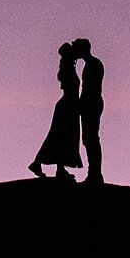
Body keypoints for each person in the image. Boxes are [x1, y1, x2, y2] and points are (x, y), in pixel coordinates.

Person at [28, 41, 83, 179]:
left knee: (61, 137)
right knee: (61, 136)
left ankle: (56, 167)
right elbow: (71, 91)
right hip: (67, 106)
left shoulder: (68, 68)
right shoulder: (68, 70)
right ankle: (44, 164)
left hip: (68, 106)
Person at [78, 43, 104, 184]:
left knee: (91, 138)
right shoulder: (93, 63)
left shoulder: (93, 64)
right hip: (91, 103)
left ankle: (95, 173)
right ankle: (94, 172)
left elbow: (89, 87)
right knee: (90, 139)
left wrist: (82, 103)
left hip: (91, 103)